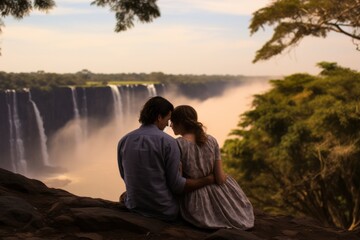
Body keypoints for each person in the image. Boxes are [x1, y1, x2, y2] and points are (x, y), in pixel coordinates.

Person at [117, 96, 214, 221]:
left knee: (124, 195)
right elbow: (177, 186)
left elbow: (124, 175)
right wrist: (207, 180)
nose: (168, 125)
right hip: (164, 210)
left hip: (134, 205)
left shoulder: (124, 140)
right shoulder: (168, 142)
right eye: (168, 120)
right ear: (159, 117)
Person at [170, 105, 255, 229]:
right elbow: (220, 179)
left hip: (196, 197)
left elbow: (181, 183)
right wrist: (210, 178)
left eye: (172, 122)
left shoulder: (177, 144)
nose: (170, 125)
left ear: (180, 123)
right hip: (220, 192)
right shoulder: (212, 140)